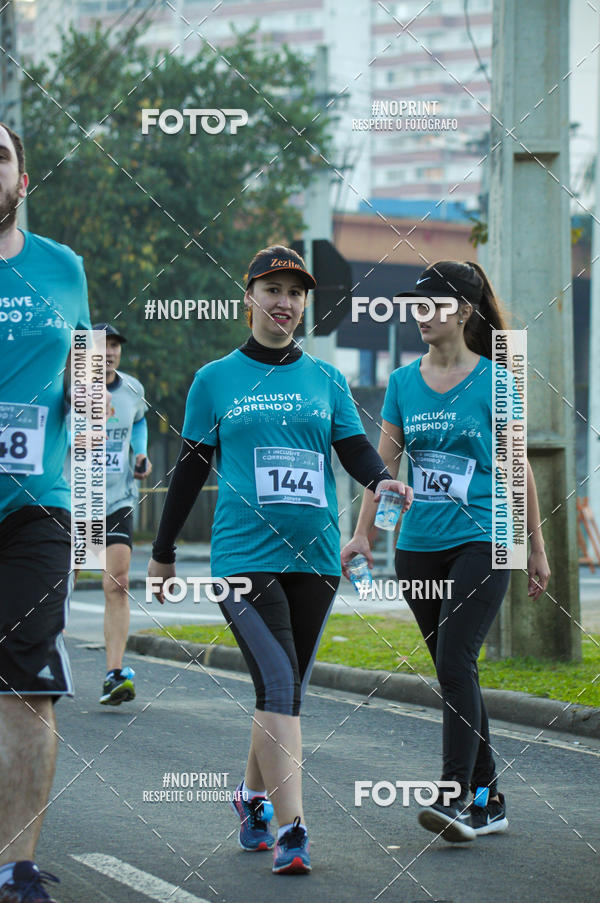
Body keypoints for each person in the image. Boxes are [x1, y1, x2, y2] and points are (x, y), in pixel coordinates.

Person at [147, 244, 410, 874]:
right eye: (272, 290)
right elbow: (189, 470)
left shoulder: (326, 379)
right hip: (243, 555)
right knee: (281, 685)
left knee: (282, 691)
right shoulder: (215, 379)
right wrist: (162, 554)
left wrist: (382, 481)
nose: (284, 302)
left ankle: (251, 796)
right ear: (250, 298)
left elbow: (354, 449)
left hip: (316, 558)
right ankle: (293, 830)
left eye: (295, 293)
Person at [342, 260, 551, 843]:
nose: (420, 314)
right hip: (418, 548)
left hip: (484, 539)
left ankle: (455, 794)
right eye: (415, 304)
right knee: (454, 672)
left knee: (456, 664)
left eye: (432, 303)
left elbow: (518, 467)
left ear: (462, 310)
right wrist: (364, 535)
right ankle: (490, 799)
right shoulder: (402, 382)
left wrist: (536, 546)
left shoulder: (496, 380)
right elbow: (384, 468)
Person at [0, 122, 91, 902]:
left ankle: (16, 864)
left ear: (22, 180)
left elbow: (84, 377)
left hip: (39, 507)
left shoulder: (64, 268)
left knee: (28, 682)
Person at [91, 323, 151, 705]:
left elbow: (140, 419)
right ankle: (40, 662)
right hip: (74, 499)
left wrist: (139, 453)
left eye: (114, 346)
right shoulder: (68, 389)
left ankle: (114, 675)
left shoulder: (132, 389)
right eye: (102, 346)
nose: (110, 352)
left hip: (117, 499)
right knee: (57, 588)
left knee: (119, 583)